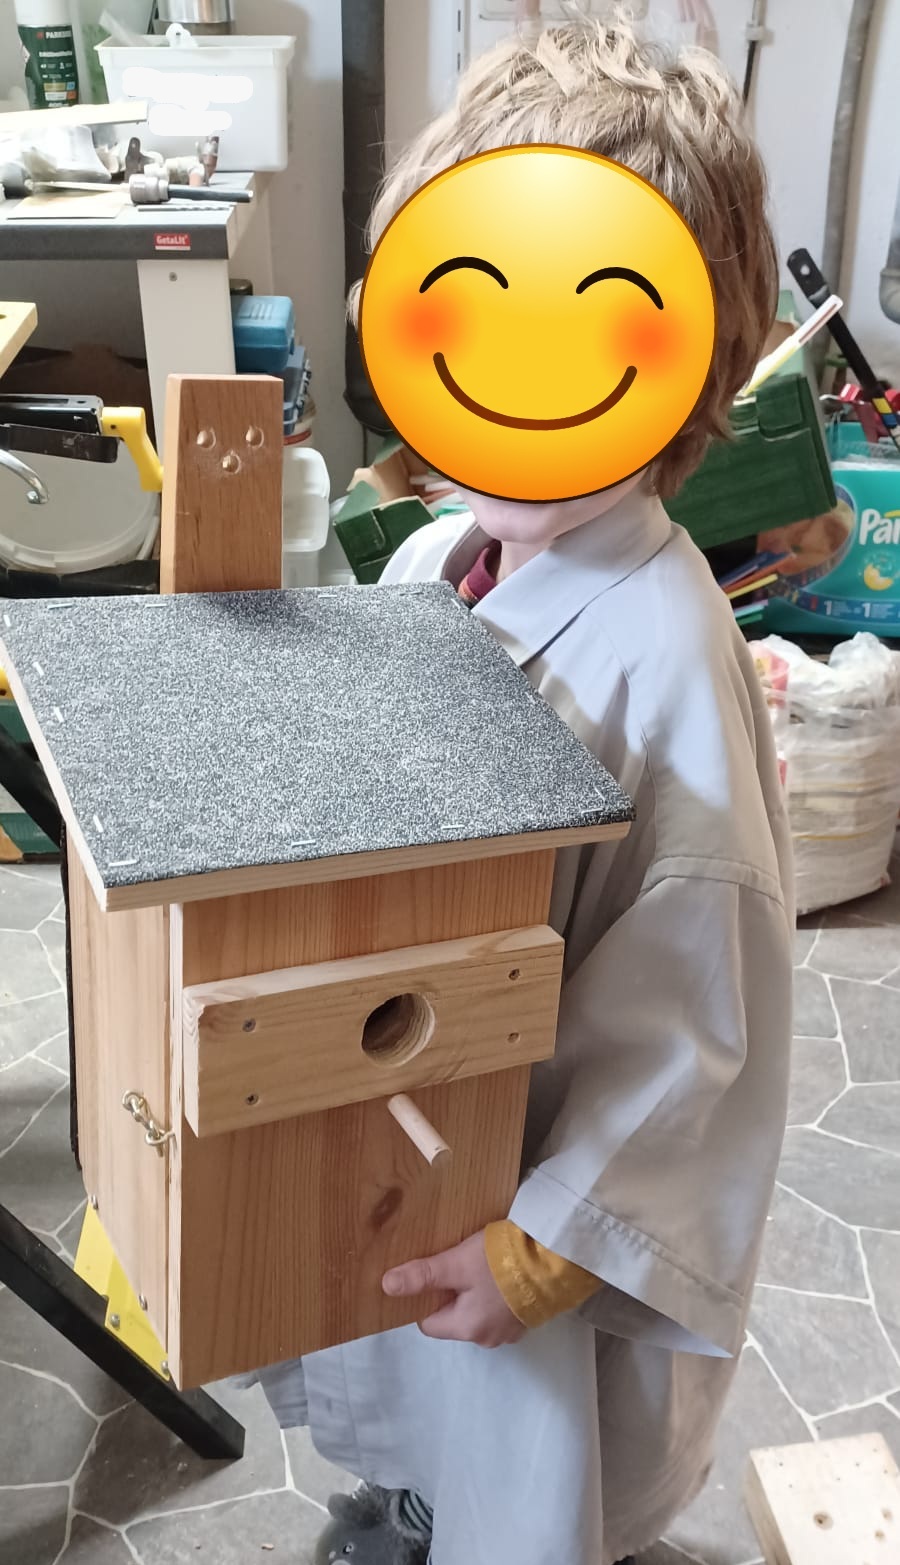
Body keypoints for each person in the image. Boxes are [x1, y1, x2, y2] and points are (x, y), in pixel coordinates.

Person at [248, 15, 794, 1564]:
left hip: (525, 1205)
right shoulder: (441, 554)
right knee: (417, 1417)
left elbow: (695, 1019)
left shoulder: (662, 658)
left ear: (679, 363)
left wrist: (550, 1249)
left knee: (517, 1473)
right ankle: (412, 1505)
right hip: (419, 1128)